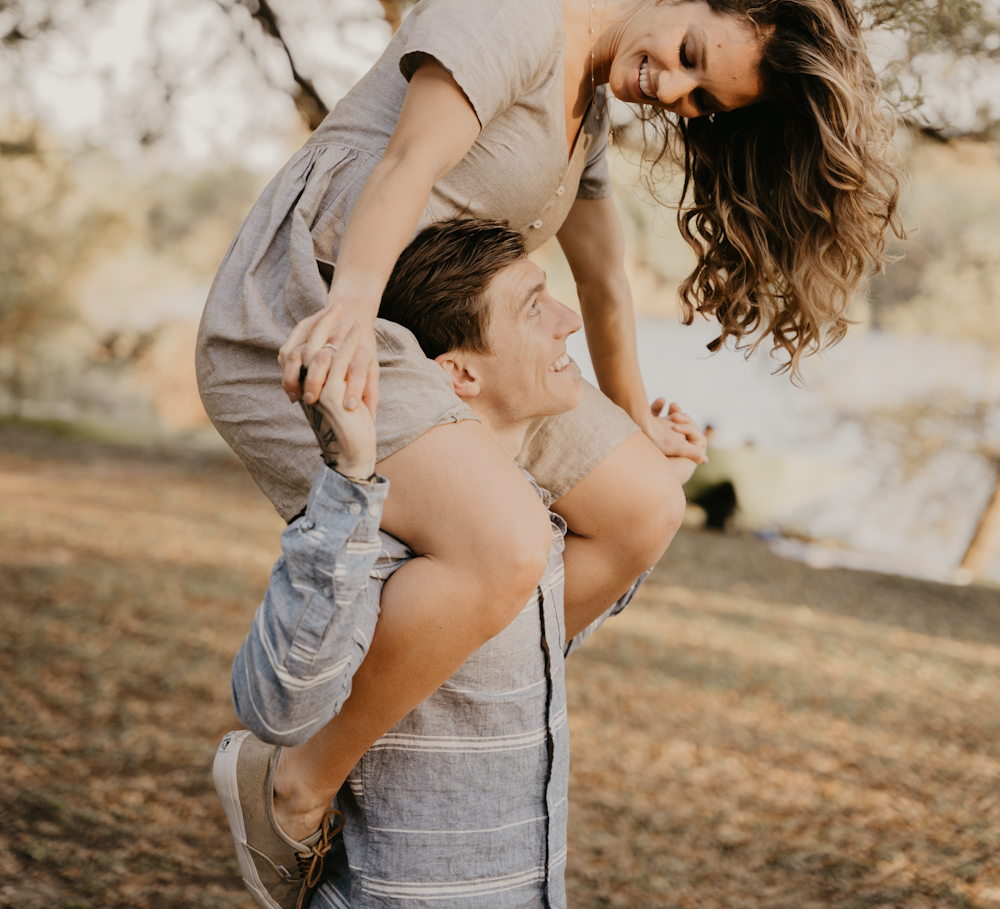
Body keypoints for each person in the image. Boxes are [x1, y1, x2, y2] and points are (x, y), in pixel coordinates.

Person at [197, 0, 900, 839]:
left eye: (700, 101)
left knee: (643, 509)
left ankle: (404, 722)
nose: (674, 92)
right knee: (507, 542)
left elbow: (605, 289)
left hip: (449, 347)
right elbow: (407, 163)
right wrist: (346, 318)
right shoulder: (512, 21)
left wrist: (640, 425)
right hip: (314, 306)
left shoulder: (589, 111)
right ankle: (293, 783)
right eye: (690, 56)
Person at [213, 219, 705, 909]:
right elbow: (279, 703)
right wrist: (350, 480)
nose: (569, 321)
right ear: (457, 373)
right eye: (535, 307)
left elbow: (539, 649)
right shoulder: (398, 540)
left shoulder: (519, 540)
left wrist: (662, 480)